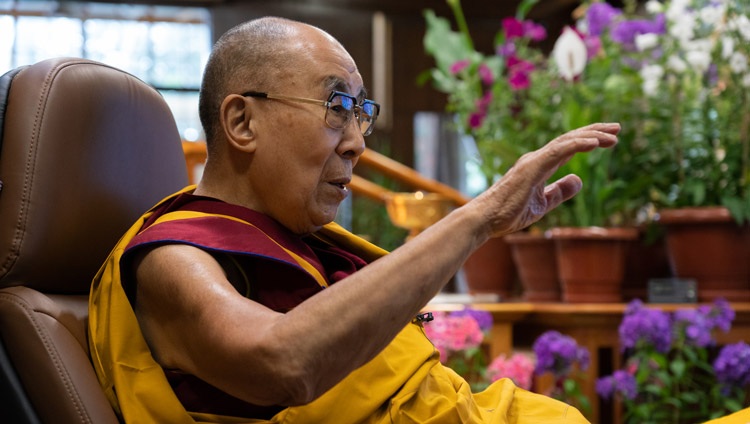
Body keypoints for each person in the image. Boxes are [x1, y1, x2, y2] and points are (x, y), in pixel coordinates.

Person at [88, 16, 621, 423]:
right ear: (242, 121)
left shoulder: (306, 244)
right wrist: (476, 219)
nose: (357, 142)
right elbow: (281, 362)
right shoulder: (174, 256)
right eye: (337, 107)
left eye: (362, 113)